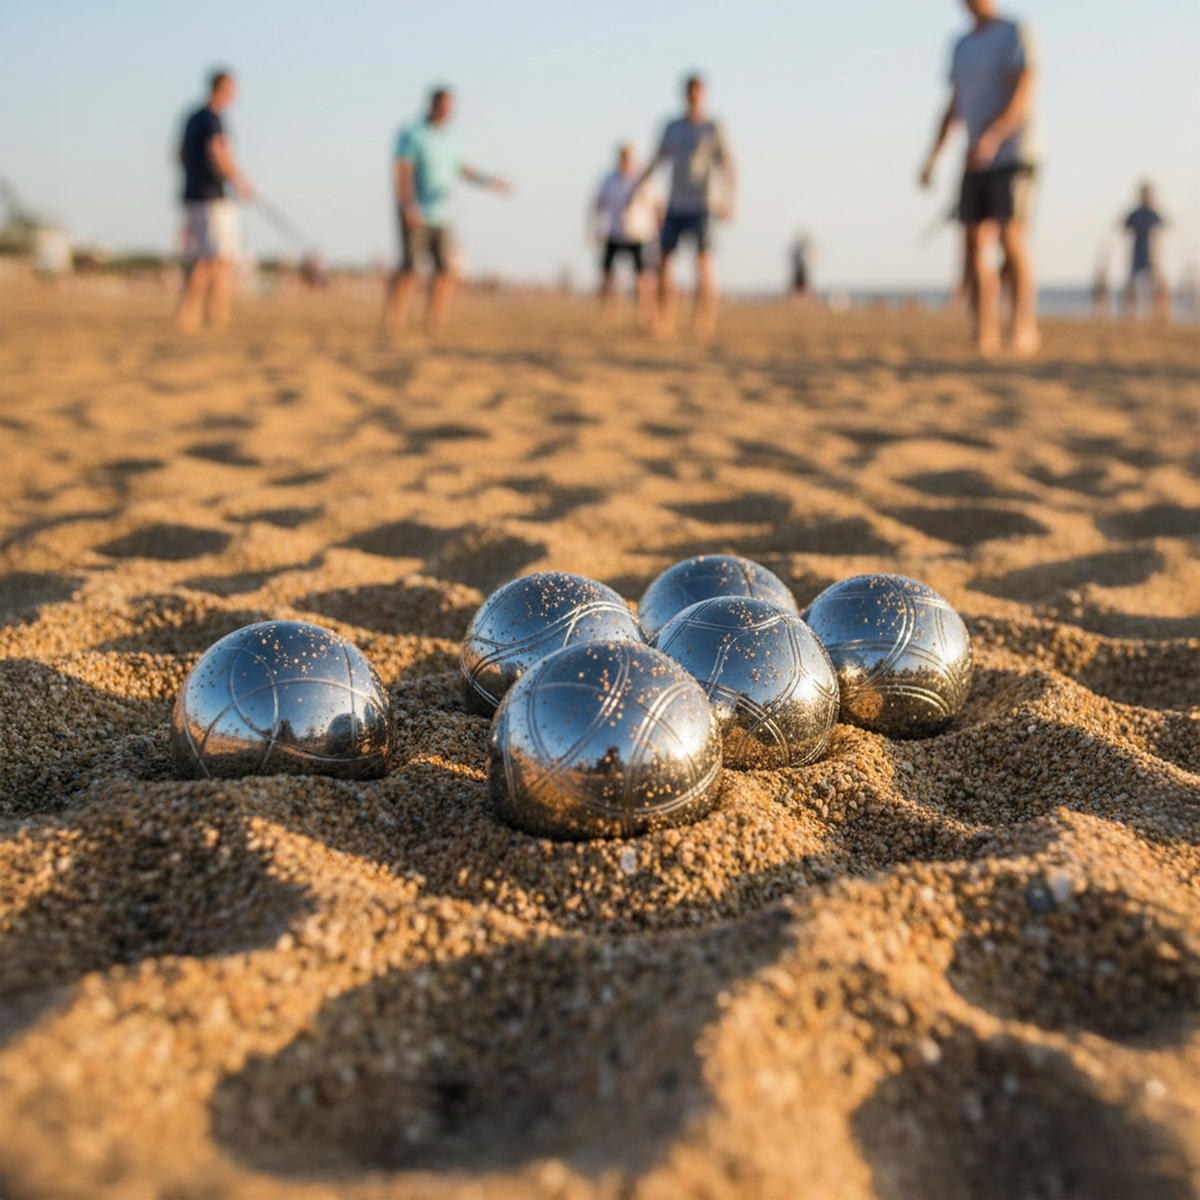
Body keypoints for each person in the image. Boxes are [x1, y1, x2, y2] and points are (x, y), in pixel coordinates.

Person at [919, 1, 1040, 357]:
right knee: (971, 241)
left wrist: (995, 135)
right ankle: (983, 330)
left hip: (1015, 154)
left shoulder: (1015, 32)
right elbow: (954, 103)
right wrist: (934, 156)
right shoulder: (961, 44)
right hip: (973, 158)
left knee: (1010, 235)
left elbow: (1024, 89)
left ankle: (1022, 325)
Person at [381, 86, 510, 337]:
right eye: (442, 106)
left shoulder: (453, 138)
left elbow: (463, 170)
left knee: (444, 271)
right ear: (431, 105)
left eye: (450, 107)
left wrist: (490, 182)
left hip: (443, 214)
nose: (446, 111)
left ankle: (435, 321)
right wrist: (407, 204)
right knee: (408, 267)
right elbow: (403, 170)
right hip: (415, 211)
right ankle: (394, 319)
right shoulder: (412, 132)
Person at [629, 73, 736, 339]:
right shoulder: (672, 127)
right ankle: (664, 319)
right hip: (675, 204)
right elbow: (657, 160)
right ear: (684, 94)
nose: (694, 97)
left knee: (702, 263)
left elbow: (728, 166)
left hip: (703, 205)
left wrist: (729, 200)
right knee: (665, 261)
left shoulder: (713, 127)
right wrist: (638, 187)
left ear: (704, 94)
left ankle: (702, 320)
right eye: (690, 92)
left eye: (698, 92)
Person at [175, 69, 253, 331]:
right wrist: (240, 182)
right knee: (217, 258)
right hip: (212, 197)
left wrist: (192, 177)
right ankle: (208, 314)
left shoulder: (192, 117)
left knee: (206, 256)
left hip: (193, 194)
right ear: (222, 90)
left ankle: (200, 314)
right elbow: (219, 153)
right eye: (233, 89)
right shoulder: (212, 119)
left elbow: (180, 155)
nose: (235, 95)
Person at [589, 143, 663, 327]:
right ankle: (606, 314)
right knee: (606, 274)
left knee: (643, 277)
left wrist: (660, 233)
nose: (624, 159)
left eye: (627, 155)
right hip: (614, 233)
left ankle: (644, 313)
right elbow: (598, 204)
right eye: (622, 155)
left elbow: (658, 207)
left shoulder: (644, 179)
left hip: (640, 234)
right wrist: (596, 227)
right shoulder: (608, 179)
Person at [1120, 182, 1169, 322]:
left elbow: (1162, 227)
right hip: (1138, 253)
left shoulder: (1151, 213)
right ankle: (1130, 315)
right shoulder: (1136, 213)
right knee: (1132, 284)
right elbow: (1124, 227)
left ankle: (1159, 314)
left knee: (1157, 284)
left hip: (1151, 254)